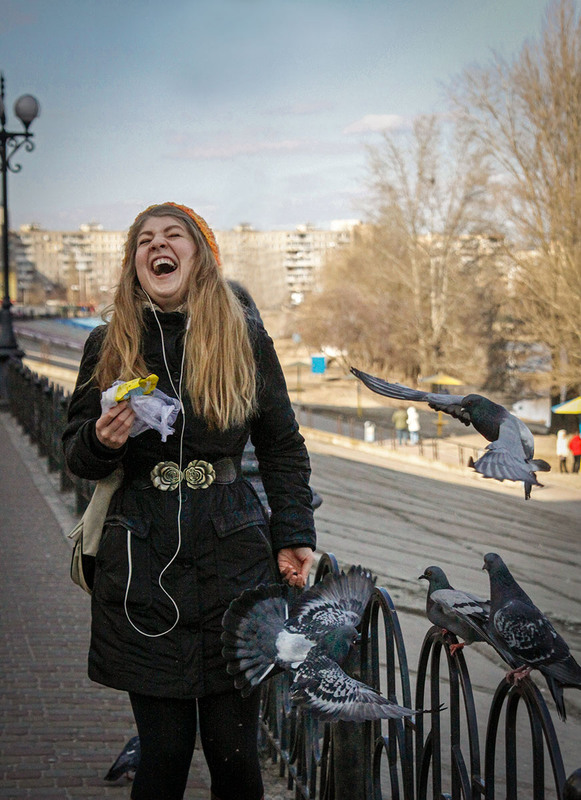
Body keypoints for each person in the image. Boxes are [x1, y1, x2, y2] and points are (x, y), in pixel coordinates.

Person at [62, 202, 316, 800]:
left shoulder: (243, 337)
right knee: (166, 753)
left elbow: (281, 445)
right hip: (143, 562)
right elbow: (74, 453)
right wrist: (100, 441)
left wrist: (294, 533)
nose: (159, 246)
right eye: (145, 240)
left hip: (234, 557)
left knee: (234, 755)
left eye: (173, 236)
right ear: (135, 264)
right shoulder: (108, 343)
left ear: (199, 256)